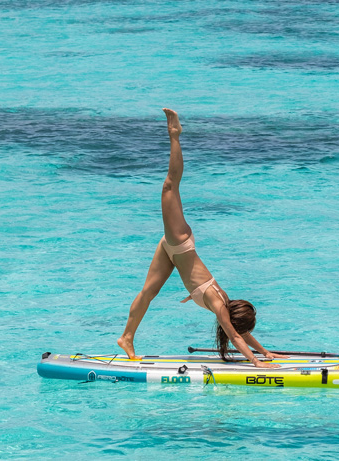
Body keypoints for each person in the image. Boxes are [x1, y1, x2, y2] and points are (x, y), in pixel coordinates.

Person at [117, 109, 286, 369]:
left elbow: (239, 333)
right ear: (232, 317)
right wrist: (256, 362)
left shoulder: (226, 306)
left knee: (148, 292)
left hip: (171, 252)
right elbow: (235, 335)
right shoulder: (221, 306)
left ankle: (126, 337)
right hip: (180, 243)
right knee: (170, 186)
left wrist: (265, 352)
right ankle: (174, 135)